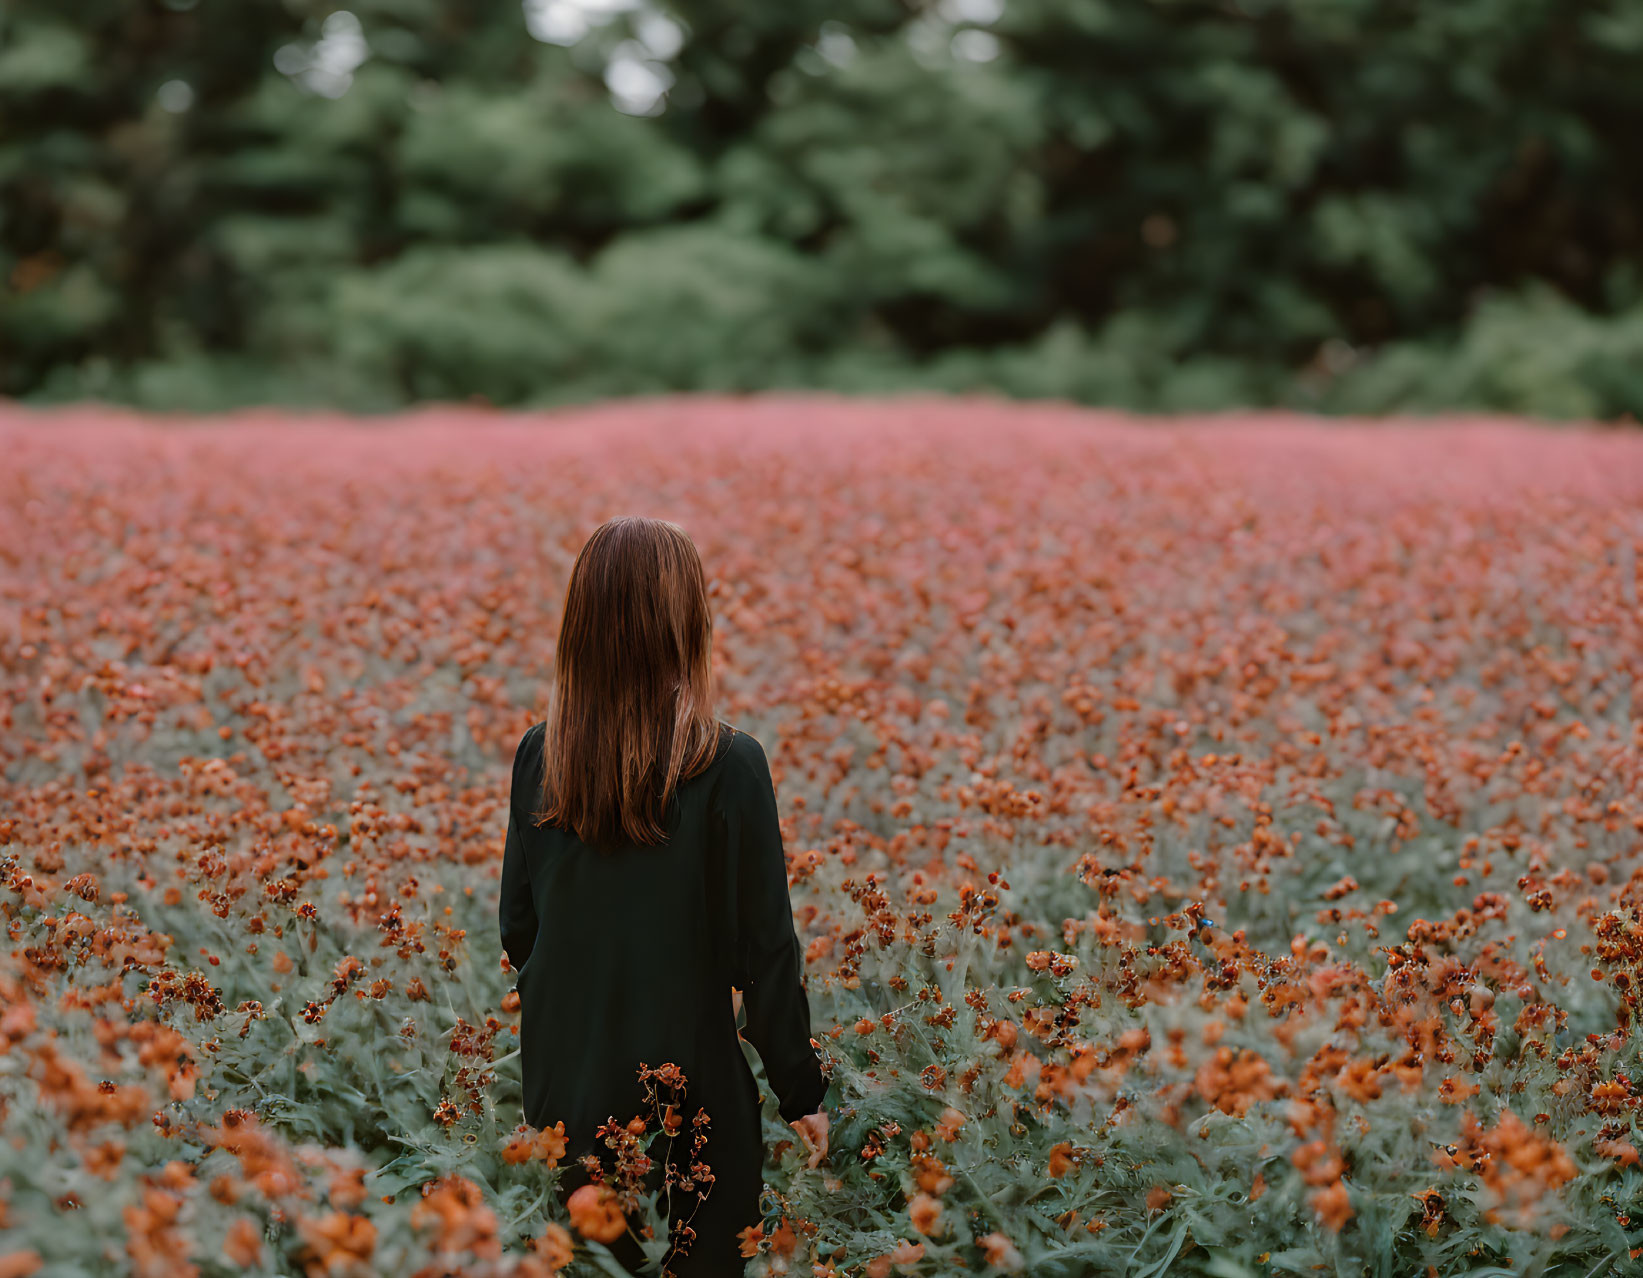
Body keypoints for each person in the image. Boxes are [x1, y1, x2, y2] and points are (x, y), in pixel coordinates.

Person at [498, 515, 831, 1277]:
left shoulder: (539, 753)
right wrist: (799, 1088)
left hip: (566, 1089)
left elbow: (518, 927)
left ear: (579, 624)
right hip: (690, 1088)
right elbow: (765, 948)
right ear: (687, 622)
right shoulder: (726, 762)